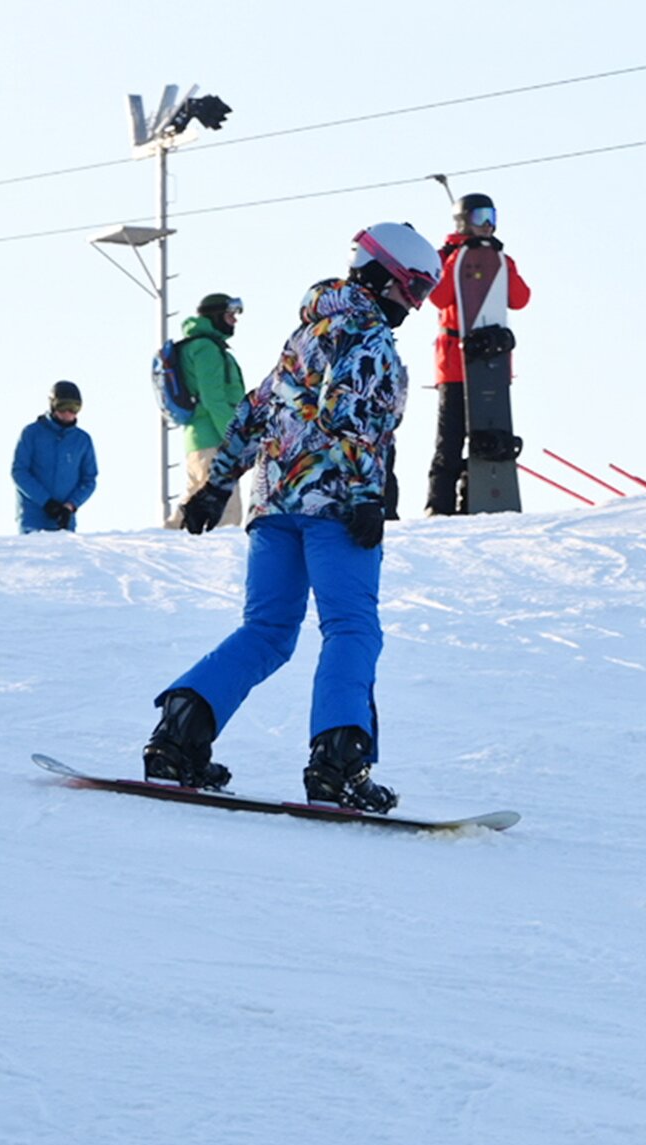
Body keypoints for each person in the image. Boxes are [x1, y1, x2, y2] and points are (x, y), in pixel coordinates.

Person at [142, 221, 442, 811]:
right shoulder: (369, 338)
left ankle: (179, 738)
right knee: (351, 627)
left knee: (268, 631)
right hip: (334, 509)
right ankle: (339, 763)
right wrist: (364, 494)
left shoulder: (307, 333)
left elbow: (257, 409)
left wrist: (216, 483)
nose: (415, 305)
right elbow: (346, 414)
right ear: (385, 277)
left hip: (274, 506)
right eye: (413, 290)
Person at [424, 192, 531, 515]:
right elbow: (439, 298)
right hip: (455, 365)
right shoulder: (446, 257)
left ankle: (476, 499)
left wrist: (503, 264)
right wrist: (459, 258)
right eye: (479, 217)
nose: (487, 225)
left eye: (492, 217)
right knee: (451, 439)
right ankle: (439, 506)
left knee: (487, 433)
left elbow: (519, 298)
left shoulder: (497, 258)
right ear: (463, 221)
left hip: (491, 364)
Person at [164, 293, 247, 530]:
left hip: (201, 438)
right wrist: (235, 438)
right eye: (230, 315)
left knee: (196, 500)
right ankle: (219, 560)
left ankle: (164, 542)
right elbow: (214, 399)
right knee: (226, 510)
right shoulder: (206, 349)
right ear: (216, 315)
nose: (234, 321)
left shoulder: (204, 346)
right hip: (213, 437)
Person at [11, 380, 98, 533]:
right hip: (33, 519)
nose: (68, 413)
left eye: (74, 408)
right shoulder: (32, 434)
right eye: (63, 407)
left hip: (64, 522)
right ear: (53, 405)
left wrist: (70, 506)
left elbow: (89, 479)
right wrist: (46, 502)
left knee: (64, 557)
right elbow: (19, 472)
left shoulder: (82, 441)